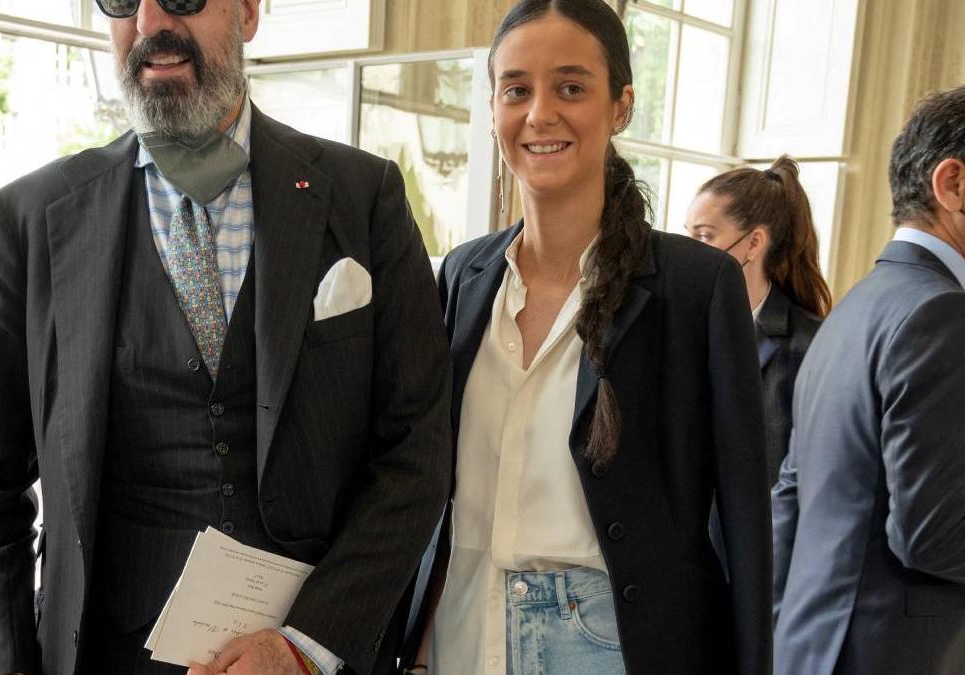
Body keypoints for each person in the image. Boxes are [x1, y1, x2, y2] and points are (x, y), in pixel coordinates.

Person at [0, 1, 453, 674]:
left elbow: (417, 449)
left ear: (248, 11)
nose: (150, 20)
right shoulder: (28, 220)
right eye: (122, 0)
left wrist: (307, 642)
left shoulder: (364, 196)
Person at [407, 1, 771, 674]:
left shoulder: (695, 286)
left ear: (621, 105)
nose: (540, 113)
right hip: (463, 630)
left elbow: (745, 521)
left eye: (570, 87)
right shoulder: (464, 274)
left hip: (608, 645)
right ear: (492, 109)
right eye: (517, 89)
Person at [772, 86, 965, 675]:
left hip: (811, 649)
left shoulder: (856, 307)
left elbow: (791, 498)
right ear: (954, 184)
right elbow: (931, 535)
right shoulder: (943, 313)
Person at [685, 157, 830, 484]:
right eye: (687, 235)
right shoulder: (673, 329)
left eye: (705, 236)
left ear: (753, 244)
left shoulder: (811, 345)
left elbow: (804, 479)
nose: (687, 251)